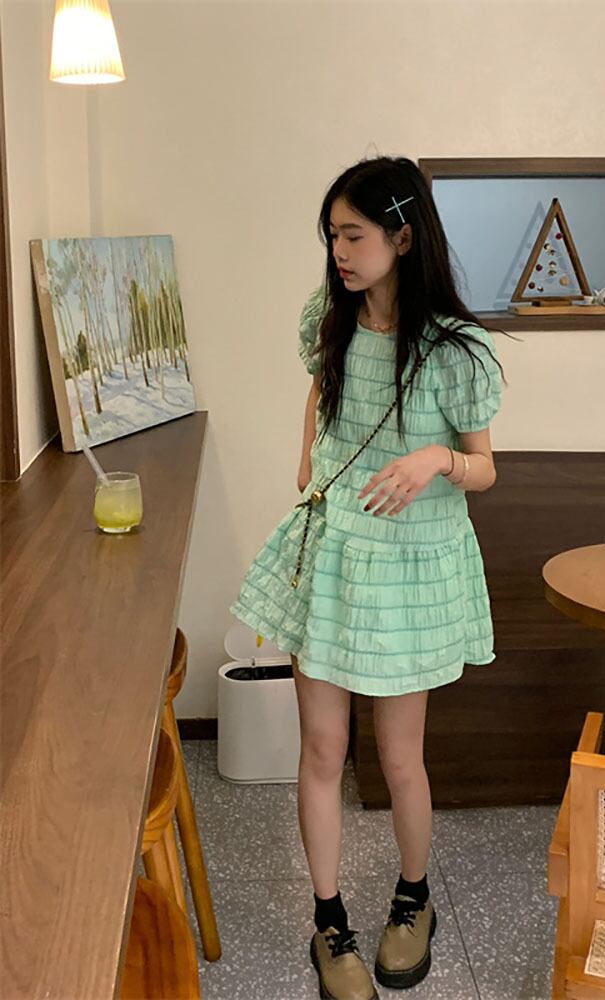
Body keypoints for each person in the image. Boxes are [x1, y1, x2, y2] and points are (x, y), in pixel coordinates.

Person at [230, 155, 511, 1000]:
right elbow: (320, 392)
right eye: (332, 236)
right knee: (323, 748)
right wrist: (307, 466)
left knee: (398, 757)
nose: (339, 252)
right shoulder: (330, 316)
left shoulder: (457, 350)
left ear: (403, 236)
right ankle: (330, 921)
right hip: (336, 556)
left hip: (411, 569)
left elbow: (486, 468)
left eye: (353, 235)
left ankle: (413, 900)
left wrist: (436, 459)